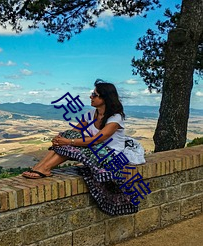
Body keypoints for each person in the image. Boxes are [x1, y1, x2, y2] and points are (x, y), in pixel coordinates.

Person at [22, 79, 139, 215]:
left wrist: (68, 141)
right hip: (96, 150)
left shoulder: (115, 117)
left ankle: (45, 168)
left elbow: (97, 140)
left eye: (95, 95)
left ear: (105, 98)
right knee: (67, 135)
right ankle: (40, 167)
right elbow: (76, 131)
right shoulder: (90, 114)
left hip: (110, 155)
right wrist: (60, 139)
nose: (91, 97)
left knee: (70, 143)